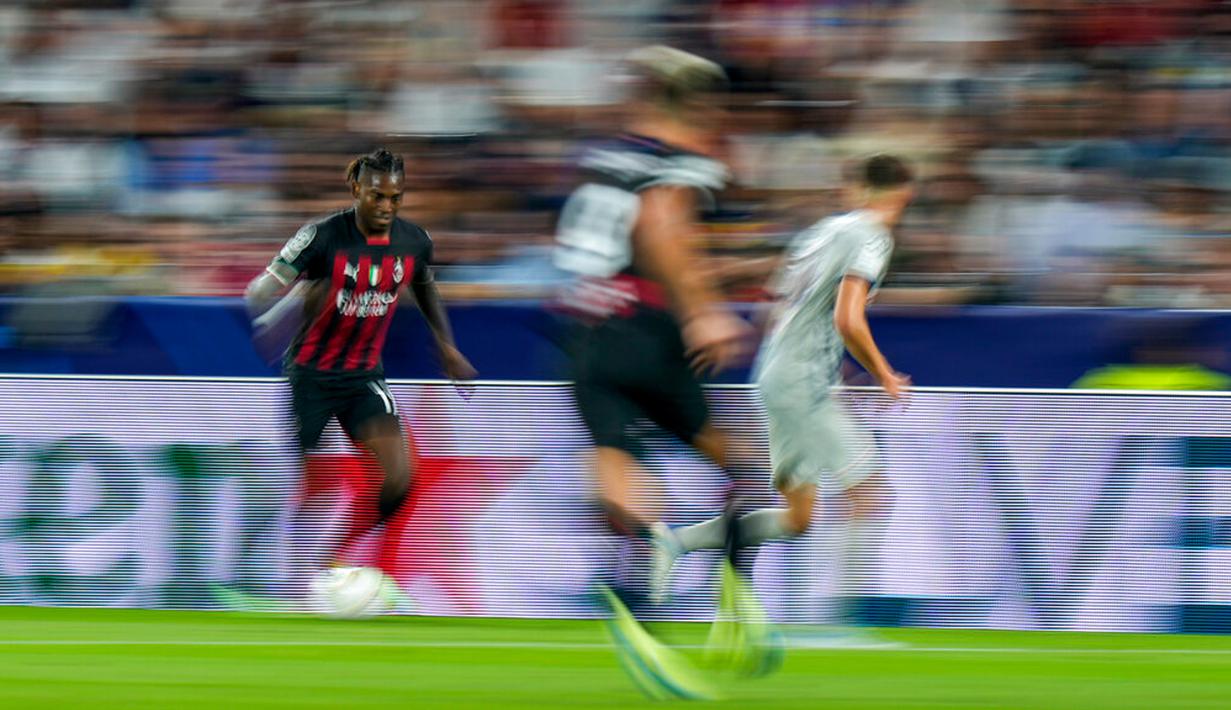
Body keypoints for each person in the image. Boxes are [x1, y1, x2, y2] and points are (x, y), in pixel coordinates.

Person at [553, 46, 753, 698]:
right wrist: (705, 312)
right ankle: (713, 589)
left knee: (617, 464)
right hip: (648, 328)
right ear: (698, 107)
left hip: (587, 329)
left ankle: (634, 582)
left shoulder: (606, 157)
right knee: (739, 466)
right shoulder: (682, 163)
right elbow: (663, 223)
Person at [652, 154, 915, 644]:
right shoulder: (873, 236)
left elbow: (779, 310)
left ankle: (675, 542)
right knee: (870, 492)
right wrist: (883, 374)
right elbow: (847, 318)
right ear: (902, 195)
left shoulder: (821, 233)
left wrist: (824, 369)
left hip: (782, 375)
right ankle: (844, 623)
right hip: (801, 383)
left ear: (859, 187)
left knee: (798, 518)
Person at [243, 148, 477, 603]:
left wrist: (446, 345)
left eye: (395, 197)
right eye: (377, 196)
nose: (386, 206)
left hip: (363, 374)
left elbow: (425, 285)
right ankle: (277, 577)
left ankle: (333, 562)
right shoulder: (321, 236)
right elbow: (262, 287)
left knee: (400, 477)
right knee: (310, 491)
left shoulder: (413, 241)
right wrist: (278, 309)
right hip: (311, 374)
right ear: (356, 190)